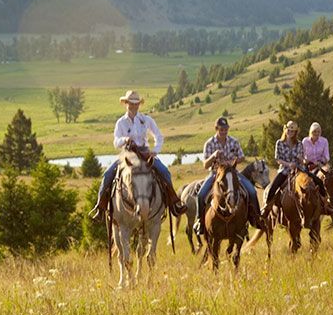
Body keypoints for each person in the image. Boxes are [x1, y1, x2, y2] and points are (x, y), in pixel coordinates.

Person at [89, 90, 184, 219]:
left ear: (139, 104)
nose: (134, 106)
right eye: (131, 103)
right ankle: (100, 207)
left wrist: (155, 150)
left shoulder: (146, 119)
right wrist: (125, 139)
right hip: (127, 155)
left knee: (165, 172)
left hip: (145, 154)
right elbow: (116, 142)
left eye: (136, 103)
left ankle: (174, 203)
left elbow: (159, 136)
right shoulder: (121, 122)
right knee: (107, 175)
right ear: (126, 104)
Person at [193, 117, 262, 235]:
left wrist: (232, 161)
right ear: (216, 129)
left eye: (226, 129)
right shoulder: (209, 143)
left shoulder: (233, 141)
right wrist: (214, 156)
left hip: (232, 173)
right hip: (216, 174)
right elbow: (205, 165)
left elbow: (241, 156)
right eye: (221, 130)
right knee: (201, 194)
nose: (224, 132)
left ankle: (255, 218)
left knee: (251, 191)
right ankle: (201, 222)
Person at [261, 121, 333, 217]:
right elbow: (278, 159)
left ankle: (326, 204)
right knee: (273, 187)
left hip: (299, 169)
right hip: (284, 170)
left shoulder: (299, 143)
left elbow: (301, 157)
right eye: (289, 130)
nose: (290, 133)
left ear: (295, 132)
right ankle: (267, 207)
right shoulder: (279, 143)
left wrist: (302, 160)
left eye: (293, 131)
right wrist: (288, 164)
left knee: (318, 181)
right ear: (285, 130)